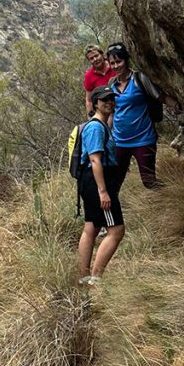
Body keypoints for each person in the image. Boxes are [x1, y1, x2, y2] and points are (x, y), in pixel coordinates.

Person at [105, 42, 180, 189]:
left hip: (143, 139)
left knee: (149, 182)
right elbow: (112, 112)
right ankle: (112, 212)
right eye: (112, 63)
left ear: (126, 60)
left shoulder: (139, 79)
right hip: (120, 141)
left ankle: (172, 196)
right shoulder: (112, 83)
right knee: (114, 183)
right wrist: (108, 135)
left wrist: (178, 106)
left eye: (118, 61)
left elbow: (161, 97)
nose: (116, 66)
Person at [77, 85, 125, 285]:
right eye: (104, 99)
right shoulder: (96, 127)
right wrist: (103, 191)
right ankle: (95, 279)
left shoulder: (101, 125)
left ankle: (83, 276)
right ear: (95, 103)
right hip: (98, 182)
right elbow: (95, 160)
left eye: (111, 99)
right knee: (116, 230)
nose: (109, 102)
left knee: (92, 227)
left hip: (91, 182)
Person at [83, 45, 112, 117]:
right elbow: (89, 100)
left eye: (96, 55)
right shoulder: (89, 76)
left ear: (102, 54)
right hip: (106, 112)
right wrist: (91, 118)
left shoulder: (114, 65)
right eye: (91, 58)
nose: (95, 59)